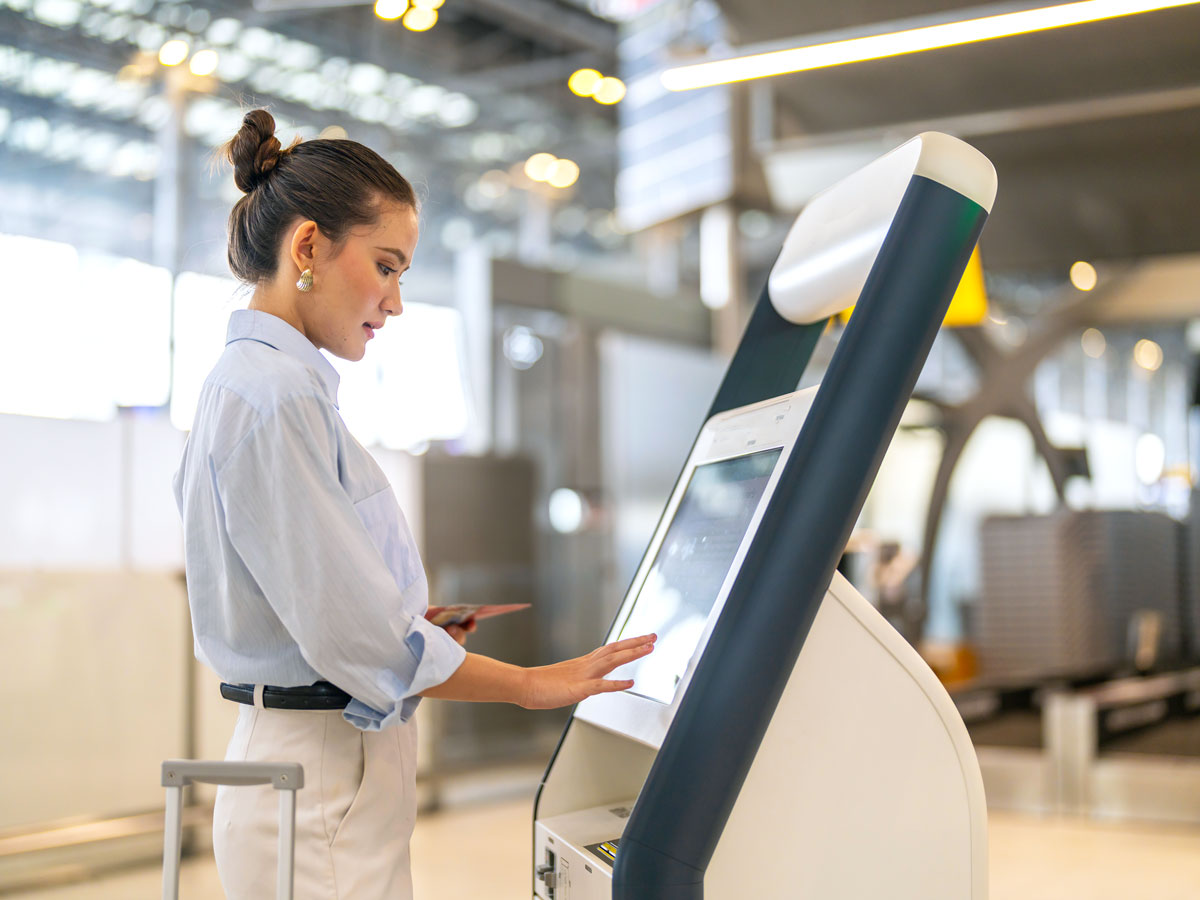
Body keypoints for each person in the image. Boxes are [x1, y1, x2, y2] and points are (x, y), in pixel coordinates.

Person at [172, 109, 656, 900]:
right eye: (387, 266)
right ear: (307, 248)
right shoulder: (274, 397)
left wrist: (406, 620)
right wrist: (530, 685)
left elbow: (313, 603)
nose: (394, 302)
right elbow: (355, 638)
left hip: (320, 770)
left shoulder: (265, 391)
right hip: (318, 778)